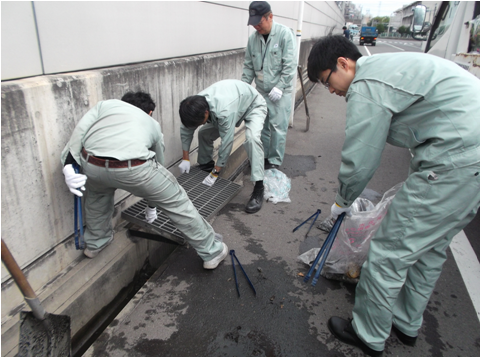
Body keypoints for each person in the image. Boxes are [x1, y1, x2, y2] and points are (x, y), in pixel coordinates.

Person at [307, 35, 480, 356]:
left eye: (327, 81)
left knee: (388, 249)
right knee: (430, 247)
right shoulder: (391, 69)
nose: (330, 91)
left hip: (453, 161)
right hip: (471, 164)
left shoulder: (366, 81)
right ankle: (405, 322)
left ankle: (369, 333)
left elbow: (361, 154)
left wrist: (342, 202)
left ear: (343, 64)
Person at [61, 91, 228, 269]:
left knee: (97, 200)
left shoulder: (105, 106)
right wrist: (152, 205)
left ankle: (96, 243)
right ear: (149, 112)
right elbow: (159, 164)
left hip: (92, 164)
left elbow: (79, 133)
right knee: (178, 203)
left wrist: (68, 165)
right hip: (134, 168)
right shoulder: (152, 123)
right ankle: (212, 251)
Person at [178, 79, 267, 214]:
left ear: (206, 113)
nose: (200, 124)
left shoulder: (224, 111)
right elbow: (186, 130)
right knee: (203, 132)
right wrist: (185, 158)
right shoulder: (193, 106)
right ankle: (206, 164)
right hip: (235, 102)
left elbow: (227, 142)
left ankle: (259, 188)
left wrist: (216, 172)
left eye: (200, 122)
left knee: (252, 140)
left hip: (253, 105)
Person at [241, 1, 297, 170]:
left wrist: (280, 86)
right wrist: (243, 89)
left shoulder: (284, 34)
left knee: (278, 128)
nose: (256, 26)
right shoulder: (253, 39)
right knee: (262, 126)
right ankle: (262, 156)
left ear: (270, 17)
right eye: (254, 23)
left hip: (281, 91)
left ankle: (274, 160)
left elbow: (290, 65)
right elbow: (249, 66)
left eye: (259, 22)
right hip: (261, 91)